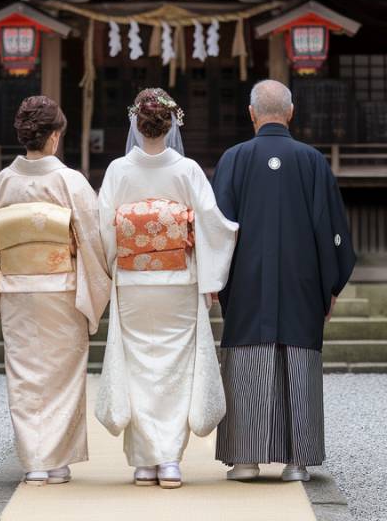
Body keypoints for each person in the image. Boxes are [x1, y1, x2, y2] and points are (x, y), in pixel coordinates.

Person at [212, 79, 356, 482]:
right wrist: (331, 284)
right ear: (290, 113)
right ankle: (298, 461)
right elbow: (333, 231)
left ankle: (245, 459)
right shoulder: (312, 161)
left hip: (246, 282)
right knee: (298, 359)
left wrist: (216, 280)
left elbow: (218, 229)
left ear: (252, 113)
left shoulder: (234, 159)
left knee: (247, 360)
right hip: (303, 283)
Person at [95, 88, 238, 489]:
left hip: (134, 281)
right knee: (175, 368)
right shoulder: (187, 170)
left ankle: (144, 462)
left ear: (136, 124)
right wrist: (210, 277)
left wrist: (114, 266)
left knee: (139, 366)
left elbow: (103, 227)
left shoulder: (118, 171)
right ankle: (169, 460)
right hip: (178, 279)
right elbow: (212, 224)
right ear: (172, 122)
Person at [0, 95, 111, 486]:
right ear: (53, 137)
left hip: (17, 288)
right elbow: (93, 239)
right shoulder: (70, 181)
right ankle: (57, 460)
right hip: (61, 289)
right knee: (63, 372)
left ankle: (34, 460)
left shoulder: (4, 182)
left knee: (24, 372)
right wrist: (99, 283)